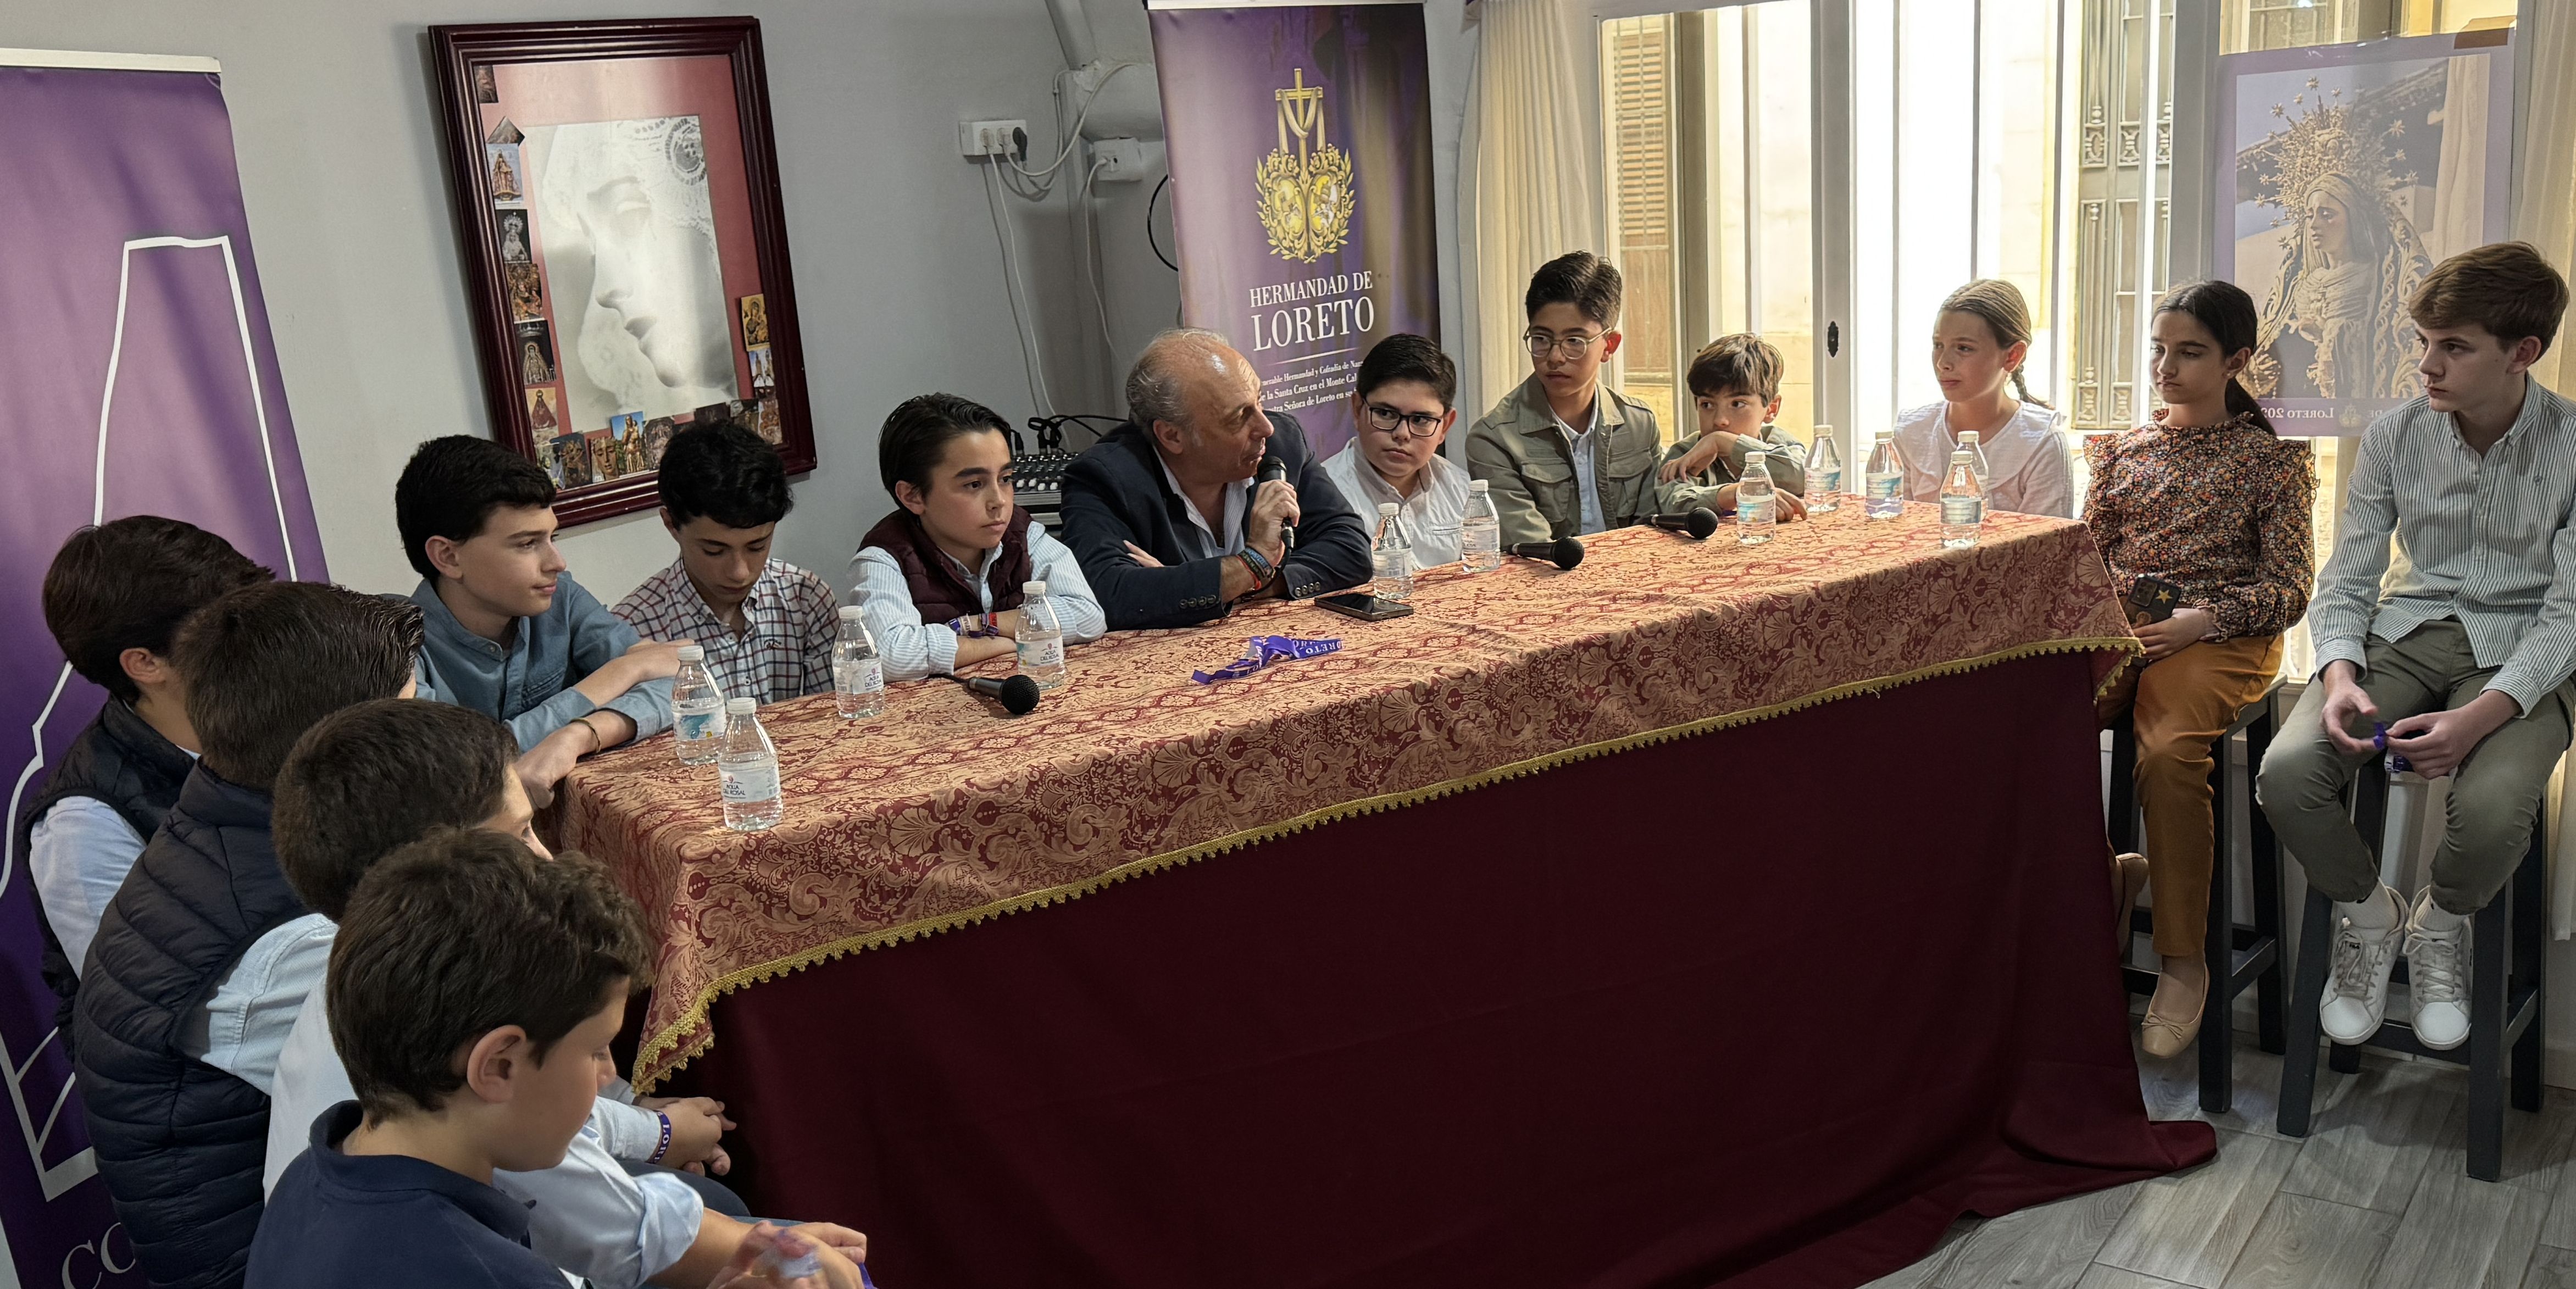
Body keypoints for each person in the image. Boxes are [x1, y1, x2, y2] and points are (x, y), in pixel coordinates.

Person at [261, 700, 831, 1288]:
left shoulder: (328, 1152)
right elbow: (617, 1235)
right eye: (594, 1053)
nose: (543, 858)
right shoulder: (486, 1257)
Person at [2259, 242, 2576, 1053]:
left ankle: (2443, 921)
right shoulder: (2398, 435)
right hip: (2406, 635)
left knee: (2495, 808)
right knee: (2289, 773)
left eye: (2455, 346)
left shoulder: (2573, 443)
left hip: (2525, 655)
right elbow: (2349, 576)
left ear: (2524, 353)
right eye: (2423, 342)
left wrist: (2479, 719)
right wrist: (2336, 675)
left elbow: (2572, 612)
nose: (2428, 365)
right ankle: (2371, 916)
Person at [70, 581, 423, 1289]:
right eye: (414, 715)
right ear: (351, 745)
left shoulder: (218, 822)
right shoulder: (304, 941)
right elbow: (442, 1137)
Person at [2091, 281, 2316, 1058]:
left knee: (2166, 751)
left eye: (2188, 352)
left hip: (2223, 633)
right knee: (2014, 725)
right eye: (2158, 349)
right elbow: (2086, 558)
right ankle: (2102, 879)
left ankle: (2184, 966)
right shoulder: (2123, 448)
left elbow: (2291, 587)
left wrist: (2200, 622)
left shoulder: (2272, 460)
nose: (2165, 366)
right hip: (2123, 627)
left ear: (2236, 360)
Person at [24, 518, 269, 1010]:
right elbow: (148, 1011)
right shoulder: (84, 826)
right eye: (231, 625)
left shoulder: (279, 724)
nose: (263, 638)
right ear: (145, 664)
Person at [398, 435, 679, 801]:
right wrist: (620, 674)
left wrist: (577, 735)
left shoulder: (559, 597)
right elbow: (456, 767)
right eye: (527, 544)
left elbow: (676, 685)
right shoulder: (394, 640)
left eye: (553, 537)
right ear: (449, 557)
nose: (557, 563)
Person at [1059, 329, 1372, 630]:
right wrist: (1253, 560)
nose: (1266, 428)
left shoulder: (1283, 445)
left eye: (1259, 401)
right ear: (1171, 436)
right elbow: (1107, 594)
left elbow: (1351, 549)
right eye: (1239, 417)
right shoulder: (1106, 478)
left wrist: (1244, 580)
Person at [851, 393, 1106, 680]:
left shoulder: (1022, 533)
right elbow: (889, 655)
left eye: (1006, 479)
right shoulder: (885, 557)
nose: (999, 501)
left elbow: (1087, 615)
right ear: (913, 496)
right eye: (974, 484)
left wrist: (980, 625)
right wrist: (1001, 644)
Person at [614, 421, 838, 705]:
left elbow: (838, 720)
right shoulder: (634, 631)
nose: (740, 572)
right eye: (714, 550)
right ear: (671, 525)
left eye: (757, 546)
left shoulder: (806, 600)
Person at [1464, 252, 1663, 545]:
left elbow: (1653, 534)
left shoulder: (1639, 424)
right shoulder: (1495, 439)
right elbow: (1535, 551)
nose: (1555, 357)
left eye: (1575, 342)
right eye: (1542, 339)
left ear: (1609, 345)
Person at [1894, 280, 2074, 518]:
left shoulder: (2042, 443)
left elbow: (2049, 547)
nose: (1943, 363)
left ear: (2012, 356)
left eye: (1964, 348)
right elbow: (1894, 531)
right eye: (1939, 345)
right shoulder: (1913, 432)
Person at [1319, 335, 1474, 568]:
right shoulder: (1322, 495)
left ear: (1446, 425)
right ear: (1357, 409)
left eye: (1421, 419)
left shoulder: (1460, 489)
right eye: (1386, 414)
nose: (1402, 434)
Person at [1655, 334, 1813, 520]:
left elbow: (1807, 478)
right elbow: (1675, 504)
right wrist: (1739, 493)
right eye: (1707, 405)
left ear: (1771, 409)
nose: (1720, 420)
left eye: (1737, 404)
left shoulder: (1779, 443)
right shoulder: (1685, 453)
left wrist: (1725, 442)